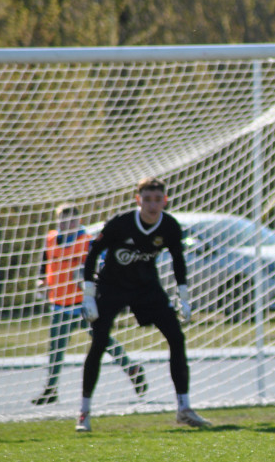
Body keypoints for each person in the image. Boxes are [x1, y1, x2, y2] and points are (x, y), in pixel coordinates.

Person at [76, 177, 211, 432]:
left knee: (176, 338)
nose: (152, 205)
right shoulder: (121, 223)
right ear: (138, 200)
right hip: (112, 287)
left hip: (147, 289)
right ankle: (84, 412)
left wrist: (183, 296)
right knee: (99, 343)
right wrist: (89, 294)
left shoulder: (169, 226)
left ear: (165, 201)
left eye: (157, 199)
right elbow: (92, 253)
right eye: (147, 199)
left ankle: (184, 408)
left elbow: (178, 259)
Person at [30, 204, 146, 406]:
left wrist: (89, 277)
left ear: (79, 221)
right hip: (59, 303)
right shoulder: (51, 240)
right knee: (56, 349)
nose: (67, 224)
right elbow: (44, 266)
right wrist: (41, 281)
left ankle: (132, 370)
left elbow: (105, 265)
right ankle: (51, 389)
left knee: (103, 341)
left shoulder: (88, 242)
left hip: (84, 304)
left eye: (71, 221)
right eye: (63, 220)